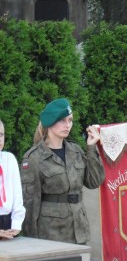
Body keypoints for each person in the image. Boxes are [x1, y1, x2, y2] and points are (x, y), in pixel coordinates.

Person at [21, 98, 104, 244]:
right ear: (50, 122)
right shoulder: (34, 157)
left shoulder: (75, 151)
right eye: (62, 121)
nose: (68, 125)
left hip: (78, 230)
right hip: (51, 233)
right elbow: (30, 203)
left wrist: (91, 148)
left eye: (70, 120)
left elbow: (94, 181)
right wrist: (30, 243)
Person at [0, 119, 26, 240]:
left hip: (8, 224)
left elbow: (17, 195)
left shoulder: (9, 159)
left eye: (1, 134)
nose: (0, 139)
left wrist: (16, 223)